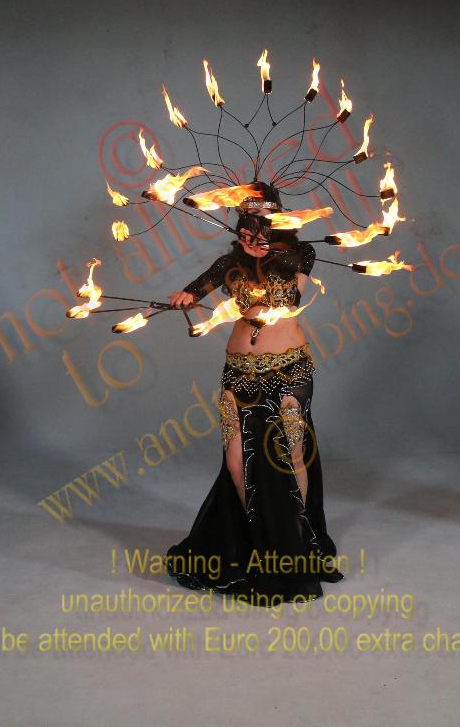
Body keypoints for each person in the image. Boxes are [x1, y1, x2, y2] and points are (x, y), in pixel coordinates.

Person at [165, 182, 343, 604]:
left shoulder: (299, 255)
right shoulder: (229, 263)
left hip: (289, 370)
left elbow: (289, 287)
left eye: (261, 227)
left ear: (277, 225)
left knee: (293, 455)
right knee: (234, 461)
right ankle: (258, 538)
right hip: (238, 373)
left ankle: (297, 538)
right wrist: (186, 297)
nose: (252, 236)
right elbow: (199, 288)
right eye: (246, 228)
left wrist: (268, 249)